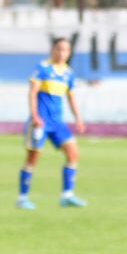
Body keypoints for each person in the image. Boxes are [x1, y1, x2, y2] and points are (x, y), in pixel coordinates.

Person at [17, 37, 87, 209]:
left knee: (73, 154)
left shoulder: (68, 73)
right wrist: (35, 116)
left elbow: (71, 97)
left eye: (66, 50)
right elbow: (32, 93)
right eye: (59, 49)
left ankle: (67, 195)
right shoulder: (43, 68)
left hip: (57, 123)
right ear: (53, 50)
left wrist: (78, 118)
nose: (62, 53)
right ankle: (23, 198)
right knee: (33, 159)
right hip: (40, 122)